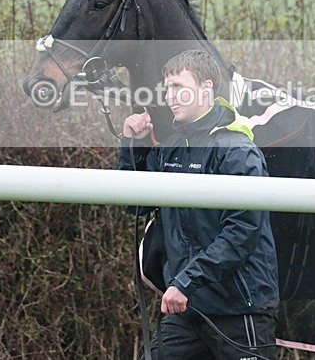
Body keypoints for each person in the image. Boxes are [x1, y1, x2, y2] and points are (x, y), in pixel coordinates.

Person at [118, 49, 279, 359]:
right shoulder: (174, 146)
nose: (169, 96)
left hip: (239, 309)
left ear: (206, 88)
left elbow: (241, 233)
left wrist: (184, 282)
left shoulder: (237, 150)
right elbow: (136, 205)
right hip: (186, 306)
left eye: (179, 87)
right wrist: (133, 144)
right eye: (167, 88)